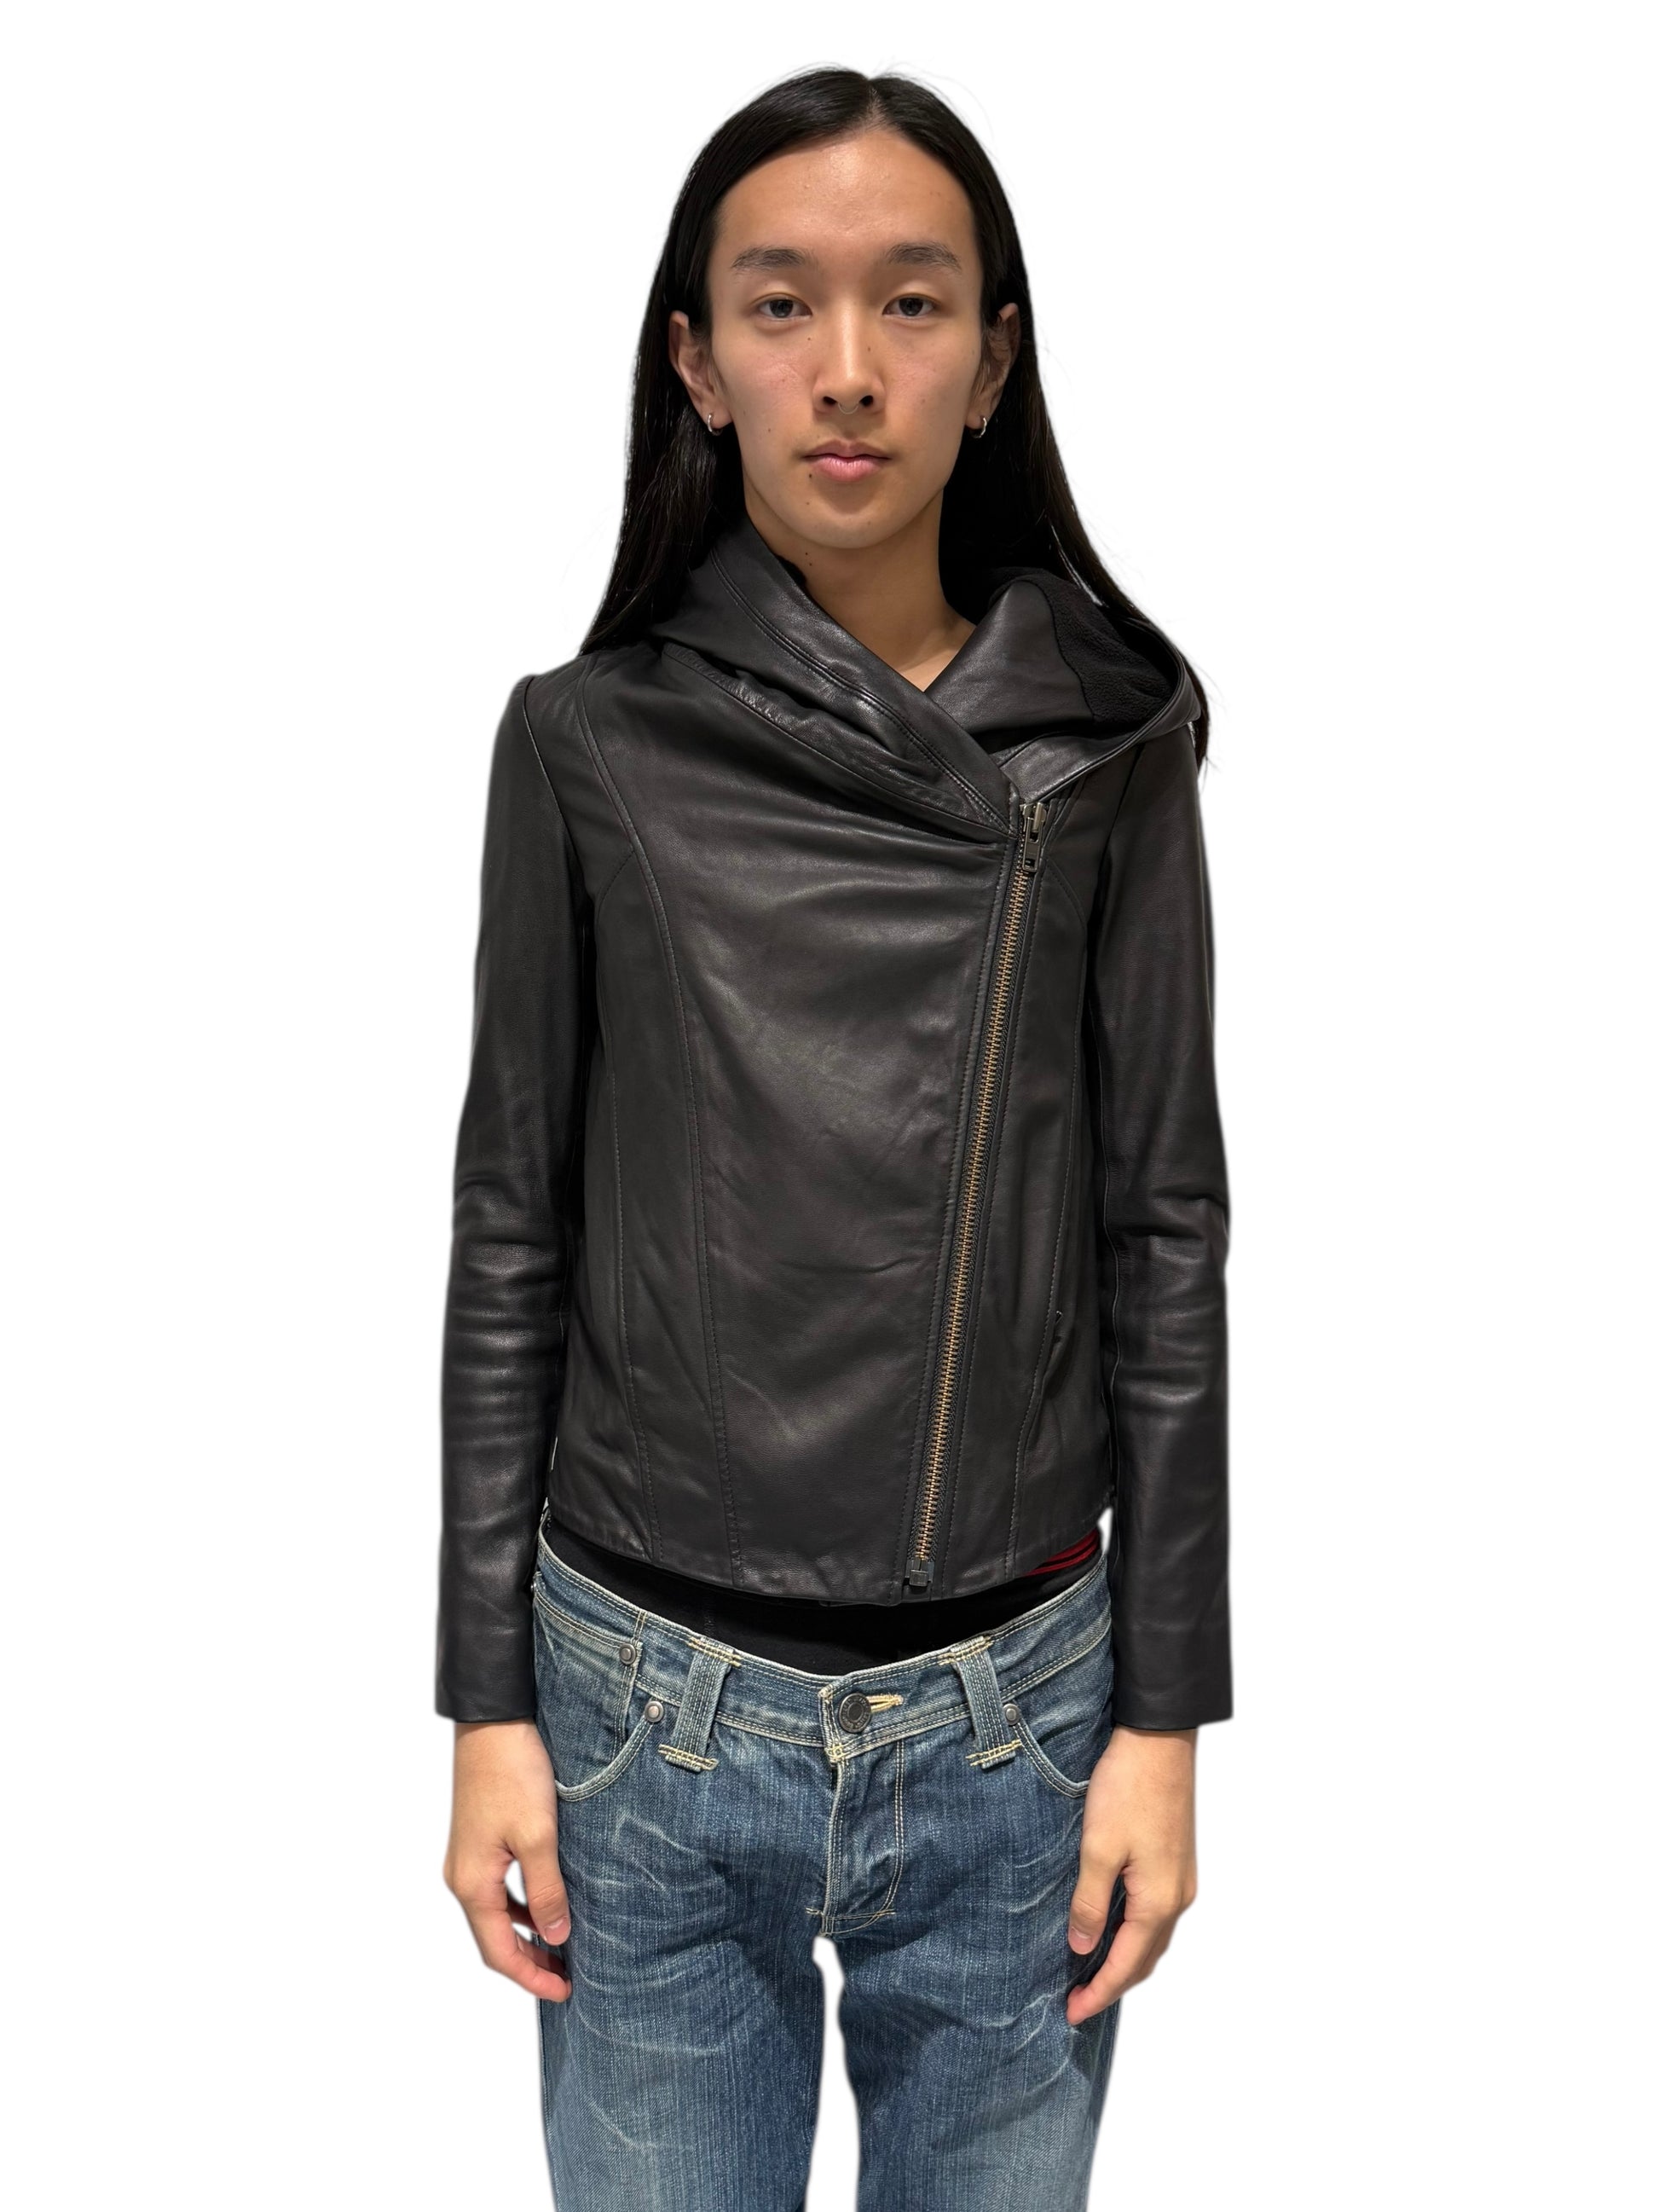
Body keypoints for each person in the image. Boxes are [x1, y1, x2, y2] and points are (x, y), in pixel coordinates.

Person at [437, 65, 1231, 2212]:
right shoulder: (585, 744)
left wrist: (1163, 1720)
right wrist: (485, 1706)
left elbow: (1164, 1233)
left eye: (914, 302)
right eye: (781, 305)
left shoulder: (1109, 752)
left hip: (1017, 1715)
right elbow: (512, 1225)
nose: (850, 370)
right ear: (697, 363)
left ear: (996, 358)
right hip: (643, 1707)